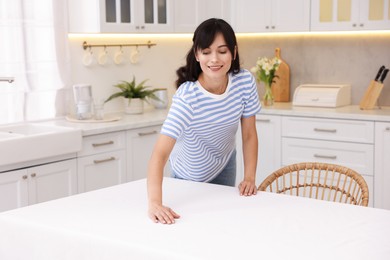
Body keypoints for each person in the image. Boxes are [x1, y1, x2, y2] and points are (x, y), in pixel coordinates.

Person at [147, 18, 261, 224]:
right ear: (197, 54)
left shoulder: (244, 81)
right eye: (206, 52)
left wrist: (250, 177)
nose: (214, 59)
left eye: (222, 51)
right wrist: (155, 203)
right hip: (188, 174)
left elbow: (249, 134)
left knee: (222, 222)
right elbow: (160, 153)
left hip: (224, 164)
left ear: (234, 53)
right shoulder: (188, 97)